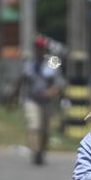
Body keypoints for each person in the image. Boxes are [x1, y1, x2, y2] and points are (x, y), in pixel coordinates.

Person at [21, 37, 65, 165]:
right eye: (37, 48)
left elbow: (60, 83)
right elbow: (22, 80)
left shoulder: (53, 63)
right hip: (32, 100)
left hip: (47, 102)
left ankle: (42, 150)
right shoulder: (29, 63)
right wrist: (13, 98)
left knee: (45, 130)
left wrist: (51, 92)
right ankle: (36, 152)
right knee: (34, 127)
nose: (39, 50)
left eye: (41, 48)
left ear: (45, 49)